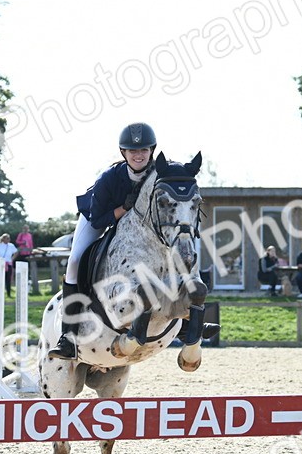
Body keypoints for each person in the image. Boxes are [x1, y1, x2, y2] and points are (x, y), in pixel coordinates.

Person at [48, 122, 218, 359]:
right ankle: (67, 336)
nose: (138, 155)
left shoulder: (158, 172)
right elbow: (99, 220)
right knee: (76, 260)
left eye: (144, 150)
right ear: (123, 153)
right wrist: (123, 208)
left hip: (139, 229)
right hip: (100, 216)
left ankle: (187, 324)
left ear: (151, 151)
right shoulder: (110, 178)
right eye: (132, 151)